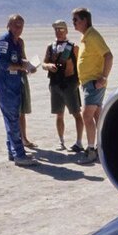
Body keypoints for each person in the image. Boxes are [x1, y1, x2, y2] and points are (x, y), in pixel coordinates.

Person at [0, 13, 36, 166]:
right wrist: (21, 67)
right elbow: (2, 64)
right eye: (16, 25)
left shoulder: (17, 43)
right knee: (13, 120)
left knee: (11, 120)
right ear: (9, 26)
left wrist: (27, 65)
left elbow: (17, 60)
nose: (19, 29)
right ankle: (20, 154)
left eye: (21, 26)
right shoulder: (4, 41)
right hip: (5, 86)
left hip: (15, 84)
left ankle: (12, 152)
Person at [72, 6, 112, 165]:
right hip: (89, 83)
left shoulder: (93, 36)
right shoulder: (85, 37)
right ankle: (101, 148)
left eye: (75, 19)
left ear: (84, 20)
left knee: (86, 116)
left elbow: (108, 56)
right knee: (97, 116)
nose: (73, 23)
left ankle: (90, 151)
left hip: (94, 83)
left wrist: (103, 78)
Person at [42, 20, 84, 151]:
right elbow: (44, 63)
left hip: (70, 84)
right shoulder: (51, 46)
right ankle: (61, 141)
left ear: (66, 31)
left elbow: (79, 66)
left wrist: (78, 82)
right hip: (55, 84)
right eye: (56, 29)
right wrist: (48, 66)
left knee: (76, 113)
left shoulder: (73, 47)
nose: (58, 32)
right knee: (59, 114)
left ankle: (79, 142)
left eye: (61, 29)